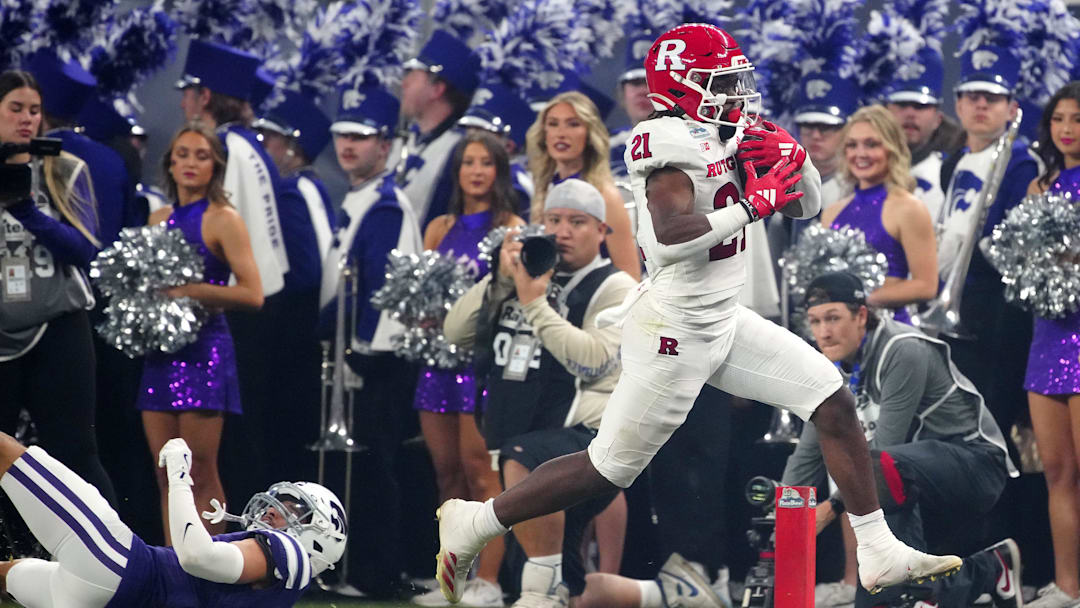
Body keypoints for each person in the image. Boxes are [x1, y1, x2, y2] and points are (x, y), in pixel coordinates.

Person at [432, 23, 961, 605]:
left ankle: (878, 549)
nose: (736, 91)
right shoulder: (667, 141)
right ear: (683, 86)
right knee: (607, 468)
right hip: (672, 331)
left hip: (721, 319)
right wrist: (752, 204)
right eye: (722, 80)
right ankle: (476, 521)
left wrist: (794, 161)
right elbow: (669, 237)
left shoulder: (726, 129)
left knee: (831, 399)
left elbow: (805, 204)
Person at [443, 179, 698, 608]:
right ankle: (669, 594)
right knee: (575, 590)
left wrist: (535, 305)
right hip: (532, 435)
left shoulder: (615, 287)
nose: (562, 231)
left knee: (522, 459)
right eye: (554, 220)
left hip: (584, 442)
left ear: (602, 231)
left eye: (577, 222)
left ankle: (537, 595)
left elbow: (594, 360)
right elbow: (456, 331)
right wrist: (499, 282)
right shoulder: (526, 276)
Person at [785, 272, 1019, 608]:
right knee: (908, 586)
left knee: (880, 469)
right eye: (816, 321)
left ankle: (895, 596)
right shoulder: (832, 368)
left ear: (861, 315)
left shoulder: (903, 349)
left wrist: (829, 509)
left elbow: (881, 454)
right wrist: (783, 514)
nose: (824, 332)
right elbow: (807, 455)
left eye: (833, 318)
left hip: (977, 468)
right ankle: (990, 570)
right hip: (918, 478)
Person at [0, 432, 345, 607]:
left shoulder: (291, 554)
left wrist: (180, 477)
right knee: (6, 575)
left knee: (10, 456)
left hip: (118, 566)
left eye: (294, 509)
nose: (273, 510)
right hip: (111, 597)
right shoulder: (278, 591)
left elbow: (196, 557)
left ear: (321, 539)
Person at [411, 131, 524, 607]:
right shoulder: (439, 227)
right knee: (447, 475)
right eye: (467, 163)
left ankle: (490, 583)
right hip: (437, 363)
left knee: (483, 475)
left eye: (485, 163)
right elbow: (416, 290)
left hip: (481, 367)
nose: (476, 171)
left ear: (499, 171)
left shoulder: (512, 227)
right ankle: (451, 582)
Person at [318, 84, 423, 598]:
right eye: (342, 135)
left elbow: (379, 286)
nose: (348, 146)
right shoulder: (360, 197)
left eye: (361, 137)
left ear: (384, 146)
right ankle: (355, 565)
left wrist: (355, 349)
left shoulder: (385, 203)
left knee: (373, 463)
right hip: (352, 354)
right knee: (358, 464)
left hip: (372, 358)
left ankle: (375, 572)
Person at [139, 123, 264, 542]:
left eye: (201, 155)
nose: (191, 163)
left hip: (204, 353)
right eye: (183, 154)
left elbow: (253, 293)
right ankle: (177, 572)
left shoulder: (223, 219)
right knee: (165, 475)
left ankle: (214, 573)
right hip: (160, 353)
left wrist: (192, 292)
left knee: (198, 471)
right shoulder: (157, 218)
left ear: (216, 167)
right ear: (170, 164)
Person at [0, 70, 116, 507]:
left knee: (76, 453)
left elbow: (86, 251)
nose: (27, 118)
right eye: (16, 108)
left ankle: (117, 559)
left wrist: (28, 211)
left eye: (34, 110)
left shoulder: (63, 168)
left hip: (58, 325)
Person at [935, 38, 1038, 455]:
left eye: (993, 98)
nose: (981, 105)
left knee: (989, 424)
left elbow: (1013, 246)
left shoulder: (1021, 162)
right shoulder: (953, 161)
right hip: (959, 307)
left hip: (997, 309)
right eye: (972, 96)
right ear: (957, 105)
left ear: (1012, 108)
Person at [252, 89, 337, 484]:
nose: (261, 147)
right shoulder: (312, 186)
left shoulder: (288, 190)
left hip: (292, 330)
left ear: (292, 147)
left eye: (268, 139)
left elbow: (303, 271)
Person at [1023, 81, 1080, 608]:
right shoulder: (1041, 187)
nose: (1066, 128)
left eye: (1077, 119)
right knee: (1058, 471)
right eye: (1059, 118)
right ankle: (1067, 588)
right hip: (1048, 336)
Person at [818, 105, 938, 323]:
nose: (860, 153)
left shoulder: (909, 208)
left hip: (888, 331)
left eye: (871, 144)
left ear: (891, 149)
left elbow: (926, 286)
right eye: (852, 145)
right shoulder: (831, 213)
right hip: (839, 333)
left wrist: (859, 299)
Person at [526, 91, 640, 280]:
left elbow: (630, 276)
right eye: (553, 124)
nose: (561, 134)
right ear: (544, 134)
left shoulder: (605, 195)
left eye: (573, 124)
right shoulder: (543, 188)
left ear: (589, 134)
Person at [398, 30, 483, 229]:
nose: (404, 83)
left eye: (414, 75)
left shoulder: (460, 152)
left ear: (437, 89)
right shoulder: (408, 138)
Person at [883, 47, 965, 220]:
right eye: (902, 104)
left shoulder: (954, 172)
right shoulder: (860, 168)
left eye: (920, 106)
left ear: (938, 118)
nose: (910, 113)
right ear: (884, 111)